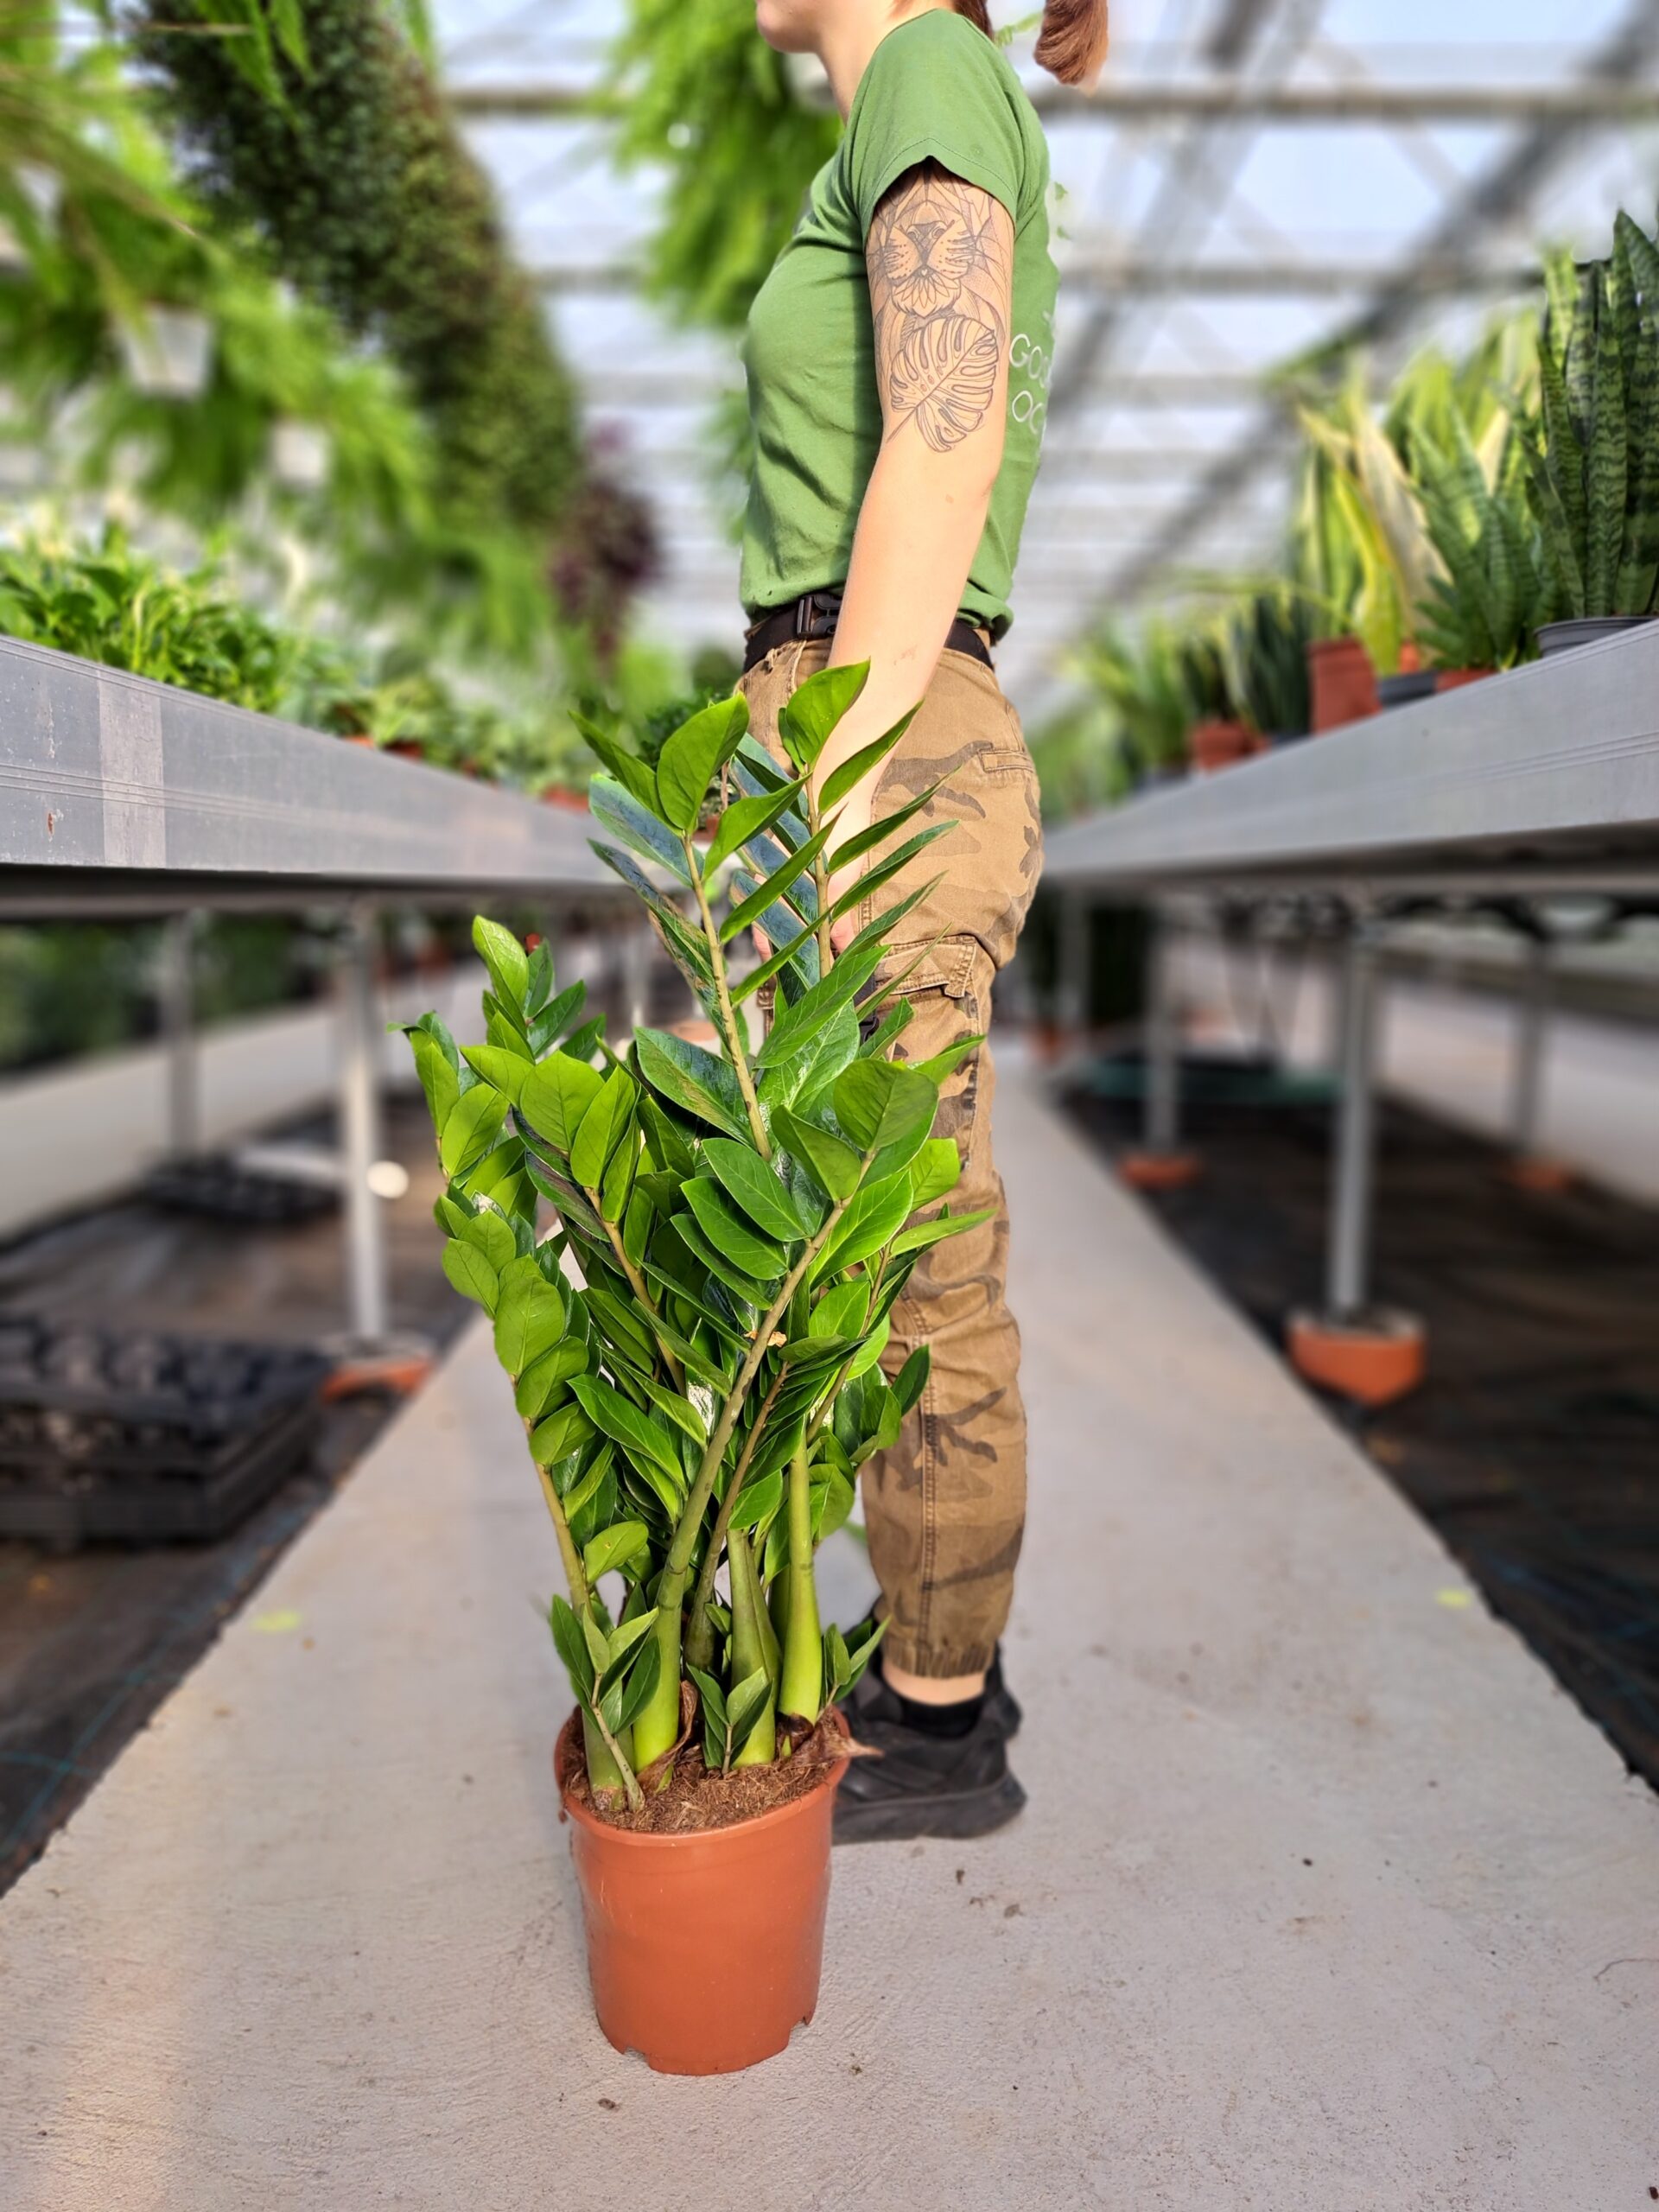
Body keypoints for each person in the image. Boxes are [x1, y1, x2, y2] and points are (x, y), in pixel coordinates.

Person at [736, 0, 1105, 1843]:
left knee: (915, 1249)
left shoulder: (929, 69)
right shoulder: (906, 100)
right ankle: (930, 1655)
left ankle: (940, 1720)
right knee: (861, 1233)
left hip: (875, 724)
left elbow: (943, 437)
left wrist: (837, 770)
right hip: (865, 709)